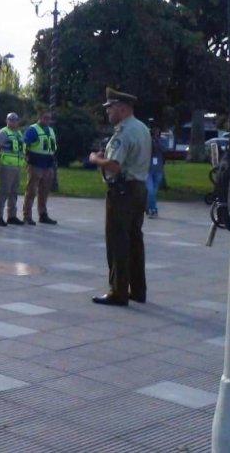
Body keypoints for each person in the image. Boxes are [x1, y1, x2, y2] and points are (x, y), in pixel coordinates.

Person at [88, 88, 151, 306]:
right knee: (135, 240)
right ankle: (138, 288)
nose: (108, 112)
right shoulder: (141, 128)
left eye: (110, 107)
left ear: (122, 109)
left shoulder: (123, 132)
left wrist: (96, 159)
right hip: (139, 188)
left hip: (122, 192)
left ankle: (118, 291)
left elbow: (115, 165)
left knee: (118, 241)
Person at [22, 110, 58, 225]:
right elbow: (25, 144)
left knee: (44, 191)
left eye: (49, 118)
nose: (47, 120)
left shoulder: (50, 130)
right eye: (45, 117)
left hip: (48, 164)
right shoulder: (33, 130)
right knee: (31, 191)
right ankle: (27, 215)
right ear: (40, 117)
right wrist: (27, 158)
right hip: (35, 164)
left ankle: (43, 214)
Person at [0, 112, 25, 226]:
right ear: (7, 121)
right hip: (6, 166)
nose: (13, 121)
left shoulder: (19, 134)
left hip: (17, 166)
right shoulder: (3, 133)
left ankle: (12, 216)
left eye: (15, 120)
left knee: (14, 192)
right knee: (3, 191)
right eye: (10, 119)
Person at [146, 127, 165, 218]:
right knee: (150, 190)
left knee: (154, 191)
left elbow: (163, 149)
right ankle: (153, 209)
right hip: (148, 169)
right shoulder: (147, 140)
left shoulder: (162, 140)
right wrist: (152, 140)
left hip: (158, 169)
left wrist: (157, 140)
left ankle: (148, 206)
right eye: (155, 132)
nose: (156, 133)